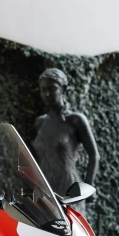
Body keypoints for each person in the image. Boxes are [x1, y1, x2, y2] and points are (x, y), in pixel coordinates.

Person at [32, 68, 100, 211]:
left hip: (68, 190)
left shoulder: (75, 120)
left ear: (64, 89)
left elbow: (94, 155)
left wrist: (88, 186)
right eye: (43, 90)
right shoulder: (40, 122)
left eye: (52, 88)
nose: (47, 94)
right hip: (44, 189)